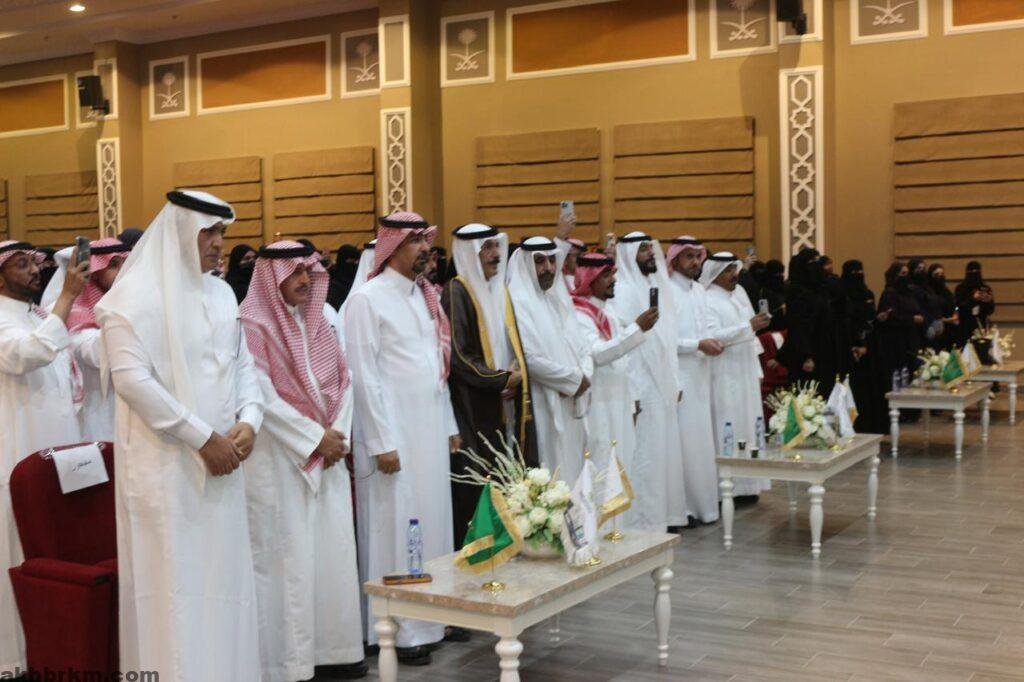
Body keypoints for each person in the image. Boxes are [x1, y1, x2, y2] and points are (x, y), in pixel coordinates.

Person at [96, 190, 265, 681]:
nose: (217, 243)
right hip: (165, 471)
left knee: (224, 585)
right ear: (178, 233)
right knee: (173, 591)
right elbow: (132, 382)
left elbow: (243, 364)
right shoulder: (129, 300)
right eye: (207, 232)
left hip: (224, 466)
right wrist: (202, 438)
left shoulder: (222, 293)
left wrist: (251, 418)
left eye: (222, 233)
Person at [240, 241, 366, 681]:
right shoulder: (251, 324)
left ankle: (336, 650)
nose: (304, 280)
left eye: (307, 272)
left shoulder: (318, 319)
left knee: (332, 554)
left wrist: (337, 436)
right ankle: (291, 663)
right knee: (289, 562)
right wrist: (315, 439)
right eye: (294, 273)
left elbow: (345, 381)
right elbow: (261, 397)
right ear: (272, 277)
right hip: (280, 460)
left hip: (327, 457)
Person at [344, 212, 463, 666]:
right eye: (416, 241)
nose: (426, 249)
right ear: (392, 246)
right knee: (397, 526)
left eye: (426, 241)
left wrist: (449, 424)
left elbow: (436, 367)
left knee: (432, 520)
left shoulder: (423, 295)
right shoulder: (367, 300)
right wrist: (381, 442)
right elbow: (363, 377)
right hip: (393, 436)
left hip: (428, 430)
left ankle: (434, 616)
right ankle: (399, 628)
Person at [0, 240, 88, 674]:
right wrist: (68, 295)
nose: (34, 270)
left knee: (57, 551)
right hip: (17, 454)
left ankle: (55, 651)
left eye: (34, 263)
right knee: (17, 551)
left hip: (59, 453)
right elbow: (26, 355)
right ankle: (14, 658)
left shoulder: (36, 314)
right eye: (22, 264)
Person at [442, 223, 534, 547]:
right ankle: (479, 551)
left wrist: (515, 376)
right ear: (469, 253)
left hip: (504, 402)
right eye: (487, 248)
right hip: (472, 407)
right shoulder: (457, 291)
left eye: (497, 247)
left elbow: (515, 345)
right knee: (477, 479)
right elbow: (459, 356)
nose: (495, 254)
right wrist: (500, 379)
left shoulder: (501, 292)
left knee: (507, 475)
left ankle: (506, 544)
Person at [607, 232, 687, 531]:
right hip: (639, 385)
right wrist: (633, 392)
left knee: (660, 454)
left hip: (661, 384)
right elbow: (623, 343)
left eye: (650, 249)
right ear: (629, 254)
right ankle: (641, 523)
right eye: (642, 250)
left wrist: (674, 380)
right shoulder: (622, 289)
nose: (650, 254)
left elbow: (669, 339)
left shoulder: (657, 285)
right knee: (642, 456)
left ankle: (661, 518)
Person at [571, 253, 653, 525]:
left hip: (619, 402)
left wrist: (632, 399)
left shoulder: (609, 313)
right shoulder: (579, 314)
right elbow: (598, 354)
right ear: (589, 279)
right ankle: (599, 531)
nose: (612, 280)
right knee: (602, 466)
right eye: (606, 275)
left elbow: (624, 363)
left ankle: (623, 530)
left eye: (612, 274)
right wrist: (637, 329)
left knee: (623, 465)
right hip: (599, 406)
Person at [507, 235, 593, 483]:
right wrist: (573, 380)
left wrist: (584, 376)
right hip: (543, 401)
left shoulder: (556, 298)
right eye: (540, 261)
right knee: (553, 472)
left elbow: (582, 346)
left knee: (575, 470)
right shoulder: (517, 301)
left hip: (573, 397)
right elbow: (528, 358)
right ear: (526, 264)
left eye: (552, 261)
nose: (549, 268)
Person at [702, 253, 771, 499]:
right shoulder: (707, 299)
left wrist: (758, 370)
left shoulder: (739, 294)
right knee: (728, 422)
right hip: (724, 373)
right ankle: (727, 488)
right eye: (728, 270)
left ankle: (749, 486)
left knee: (749, 422)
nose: (734, 275)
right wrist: (748, 326)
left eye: (735, 269)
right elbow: (713, 337)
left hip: (746, 370)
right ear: (714, 274)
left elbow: (752, 337)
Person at [667, 237, 724, 525]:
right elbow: (665, 340)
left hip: (701, 373)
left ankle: (705, 505)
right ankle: (685, 508)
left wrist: (712, 341)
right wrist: (697, 345)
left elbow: (706, 329)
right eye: (688, 256)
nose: (694, 262)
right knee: (684, 443)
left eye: (697, 256)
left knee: (701, 441)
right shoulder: (667, 291)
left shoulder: (700, 290)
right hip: (680, 374)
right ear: (675, 259)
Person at [61, 238, 132, 441]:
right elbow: (96, 354)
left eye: (126, 263)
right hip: (98, 419)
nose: (123, 271)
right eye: (114, 265)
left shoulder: (127, 306)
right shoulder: (74, 312)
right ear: (93, 272)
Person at [782, 248, 840, 396]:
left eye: (817, 260)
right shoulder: (796, 292)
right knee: (808, 395)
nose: (816, 265)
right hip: (806, 352)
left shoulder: (821, 289)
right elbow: (797, 326)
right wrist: (806, 356)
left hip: (824, 350)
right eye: (812, 262)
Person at [841, 259, 885, 433]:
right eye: (854, 272)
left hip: (869, 347)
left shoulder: (867, 293)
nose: (859, 275)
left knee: (869, 388)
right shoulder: (843, 296)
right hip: (851, 349)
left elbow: (870, 318)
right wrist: (854, 345)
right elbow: (845, 323)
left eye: (860, 271)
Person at [955, 260, 994, 344]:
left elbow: (991, 310)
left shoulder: (985, 288)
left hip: (982, 326)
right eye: (972, 272)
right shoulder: (961, 288)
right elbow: (958, 307)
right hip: (965, 326)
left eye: (976, 272)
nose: (974, 275)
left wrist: (988, 301)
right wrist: (973, 299)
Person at [926, 263, 958, 350]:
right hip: (937, 331)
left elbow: (955, 305)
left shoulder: (946, 291)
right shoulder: (929, 293)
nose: (940, 276)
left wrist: (956, 313)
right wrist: (945, 320)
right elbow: (929, 313)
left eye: (942, 274)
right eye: (936, 274)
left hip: (951, 330)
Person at [327, 243, 361, 310]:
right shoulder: (332, 285)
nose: (355, 264)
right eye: (351, 261)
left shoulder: (360, 280)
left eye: (356, 261)